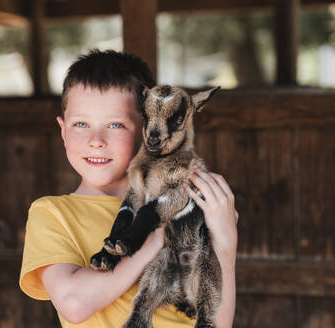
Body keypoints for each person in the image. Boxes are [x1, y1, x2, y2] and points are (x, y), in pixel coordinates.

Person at [19, 49, 238, 328]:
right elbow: (74, 303)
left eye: (115, 124)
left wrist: (226, 246)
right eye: (81, 124)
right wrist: (153, 238)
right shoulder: (52, 213)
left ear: (148, 130)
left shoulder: (187, 203)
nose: (96, 140)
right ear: (63, 131)